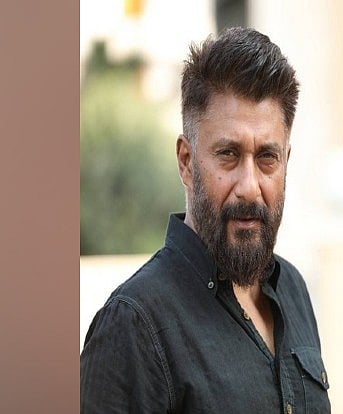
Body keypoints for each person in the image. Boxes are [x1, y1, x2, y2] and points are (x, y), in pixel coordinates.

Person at [80, 27, 330, 413]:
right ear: (186, 161)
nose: (249, 187)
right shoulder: (133, 324)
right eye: (228, 154)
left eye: (267, 157)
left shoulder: (293, 289)